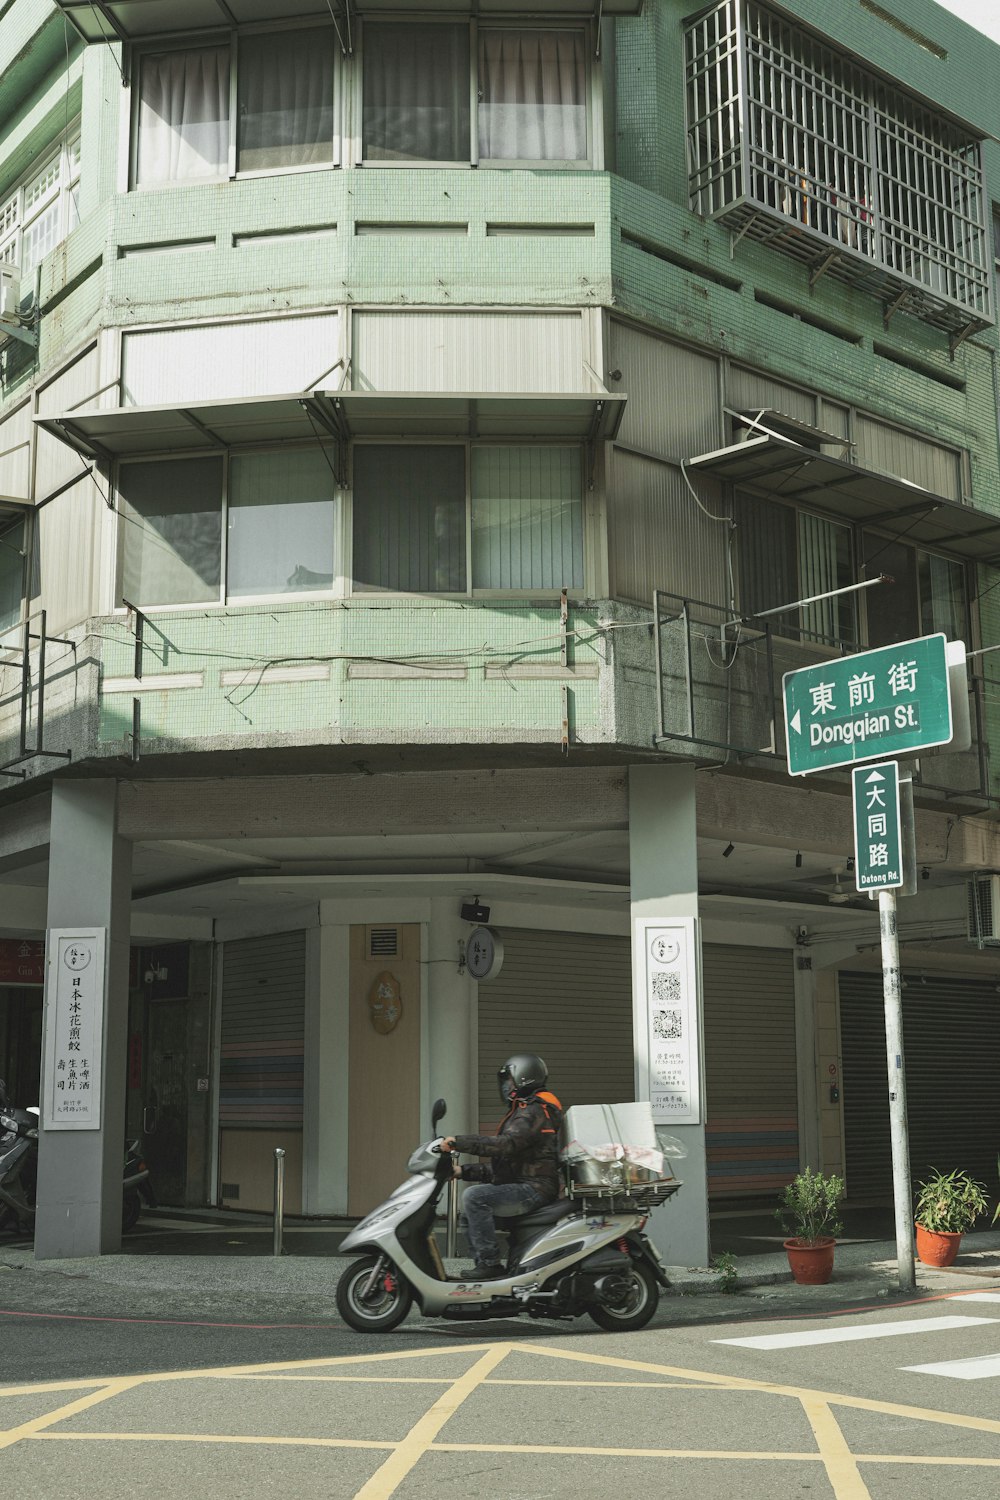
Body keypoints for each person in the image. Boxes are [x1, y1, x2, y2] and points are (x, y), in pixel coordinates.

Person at [439, 1052, 563, 1279]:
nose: (505, 1087)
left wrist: (458, 1142)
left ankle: (489, 1265)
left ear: (523, 1078)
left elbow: (505, 1145)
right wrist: (462, 1171)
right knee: (472, 1203)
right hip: (528, 1184)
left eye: (508, 1081)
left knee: (475, 1198)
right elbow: (507, 1167)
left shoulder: (532, 1111)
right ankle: (493, 1264)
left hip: (534, 1189)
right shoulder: (527, 1110)